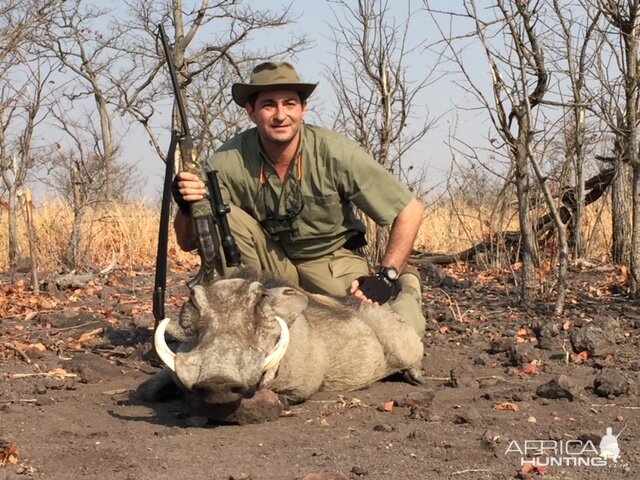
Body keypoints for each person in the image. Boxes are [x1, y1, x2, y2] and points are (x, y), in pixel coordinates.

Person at [172, 61, 426, 343]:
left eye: (289, 104)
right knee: (222, 214)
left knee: (379, 332)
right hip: (270, 262)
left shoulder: (335, 151)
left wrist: (387, 276)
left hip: (329, 260)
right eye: (269, 105)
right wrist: (187, 208)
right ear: (251, 112)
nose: (281, 115)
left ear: (302, 109)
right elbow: (187, 242)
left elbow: (410, 210)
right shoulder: (225, 161)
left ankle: (407, 286)